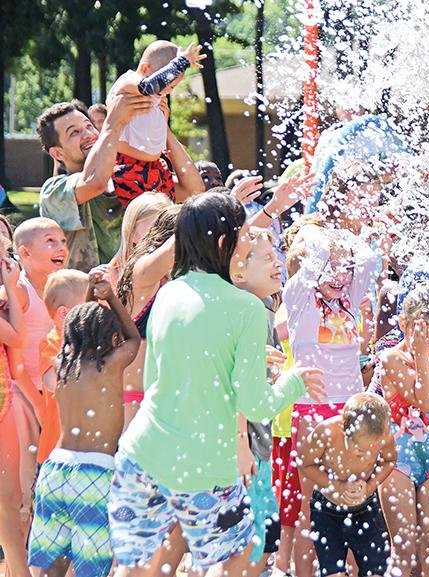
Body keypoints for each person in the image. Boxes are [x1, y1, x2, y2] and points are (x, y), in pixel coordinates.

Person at [108, 193, 325, 577]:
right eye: (243, 232)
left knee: (136, 567)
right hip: (203, 463)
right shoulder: (246, 309)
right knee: (239, 558)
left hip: (143, 452)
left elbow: (154, 380)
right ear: (225, 244)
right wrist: (293, 382)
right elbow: (257, 406)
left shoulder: (169, 293)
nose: (251, 237)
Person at [27, 272, 141, 577]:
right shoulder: (110, 365)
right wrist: (111, 298)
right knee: (90, 567)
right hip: (95, 474)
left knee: (50, 565)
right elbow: (134, 338)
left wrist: (91, 294)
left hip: (56, 470)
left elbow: (75, 329)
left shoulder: (63, 364)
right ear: (111, 339)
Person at [280, 225, 377, 577]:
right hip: (312, 410)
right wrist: (324, 241)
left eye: (344, 266)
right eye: (331, 266)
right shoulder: (298, 296)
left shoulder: (348, 297)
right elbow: (313, 259)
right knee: (312, 506)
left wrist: (345, 242)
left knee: (355, 502)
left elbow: (366, 259)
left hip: (350, 410)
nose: (340, 274)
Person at [376, 283, 429, 577]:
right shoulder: (392, 359)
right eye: (424, 331)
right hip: (397, 463)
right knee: (404, 548)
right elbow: (425, 401)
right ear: (404, 324)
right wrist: (424, 357)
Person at [230, 227, 289, 573]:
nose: (278, 263)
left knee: (265, 543)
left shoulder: (262, 308)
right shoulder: (247, 311)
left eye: (276, 254)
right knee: (250, 549)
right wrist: (242, 447)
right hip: (247, 453)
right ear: (238, 272)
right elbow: (236, 385)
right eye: (268, 258)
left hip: (257, 453)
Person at [36, 97, 148, 271]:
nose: (89, 134)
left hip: (131, 291)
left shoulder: (125, 175)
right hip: (81, 295)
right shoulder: (52, 192)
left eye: (89, 126)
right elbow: (95, 183)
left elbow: (193, 190)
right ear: (57, 153)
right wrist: (114, 122)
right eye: (74, 132)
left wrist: (165, 131)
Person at [6, 218, 69, 511]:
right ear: (25, 253)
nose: (61, 248)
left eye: (63, 241)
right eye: (50, 241)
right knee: (27, 482)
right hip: (26, 397)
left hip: (53, 397)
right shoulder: (19, 292)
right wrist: (39, 407)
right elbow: (16, 365)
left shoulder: (65, 287)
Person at [298, 392, 397, 577]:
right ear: (344, 429)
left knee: (377, 571)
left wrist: (370, 486)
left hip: (366, 509)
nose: (366, 455)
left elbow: (389, 460)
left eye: (373, 451)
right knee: (333, 573)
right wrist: (335, 486)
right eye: (360, 450)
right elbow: (304, 462)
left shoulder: (383, 435)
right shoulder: (326, 432)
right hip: (326, 510)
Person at [108, 40, 205, 205]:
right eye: (167, 85)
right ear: (145, 69)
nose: (167, 91)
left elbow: (196, 190)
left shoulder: (158, 99)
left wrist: (164, 123)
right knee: (143, 217)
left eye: (173, 87)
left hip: (156, 168)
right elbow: (148, 86)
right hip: (128, 168)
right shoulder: (129, 82)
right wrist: (181, 62)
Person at [115, 206, 180, 426]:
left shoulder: (176, 285)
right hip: (134, 406)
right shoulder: (142, 278)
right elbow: (170, 252)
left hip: (168, 405)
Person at [34, 270, 90, 467]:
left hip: (84, 449)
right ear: (65, 313)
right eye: (88, 306)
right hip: (55, 451)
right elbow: (52, 384)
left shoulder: (91, 343)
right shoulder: (52, 342)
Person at [0, 244, 28, 577]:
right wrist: (10, 283)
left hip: (4, 398)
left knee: (10, 499)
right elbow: (17, 336)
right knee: (8, 500)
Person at [103, 193, 173, 287]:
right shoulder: (109, 279)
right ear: (131, 232)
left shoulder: (177, 275)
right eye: (154, 229)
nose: (162, 235)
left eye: (168, 229)